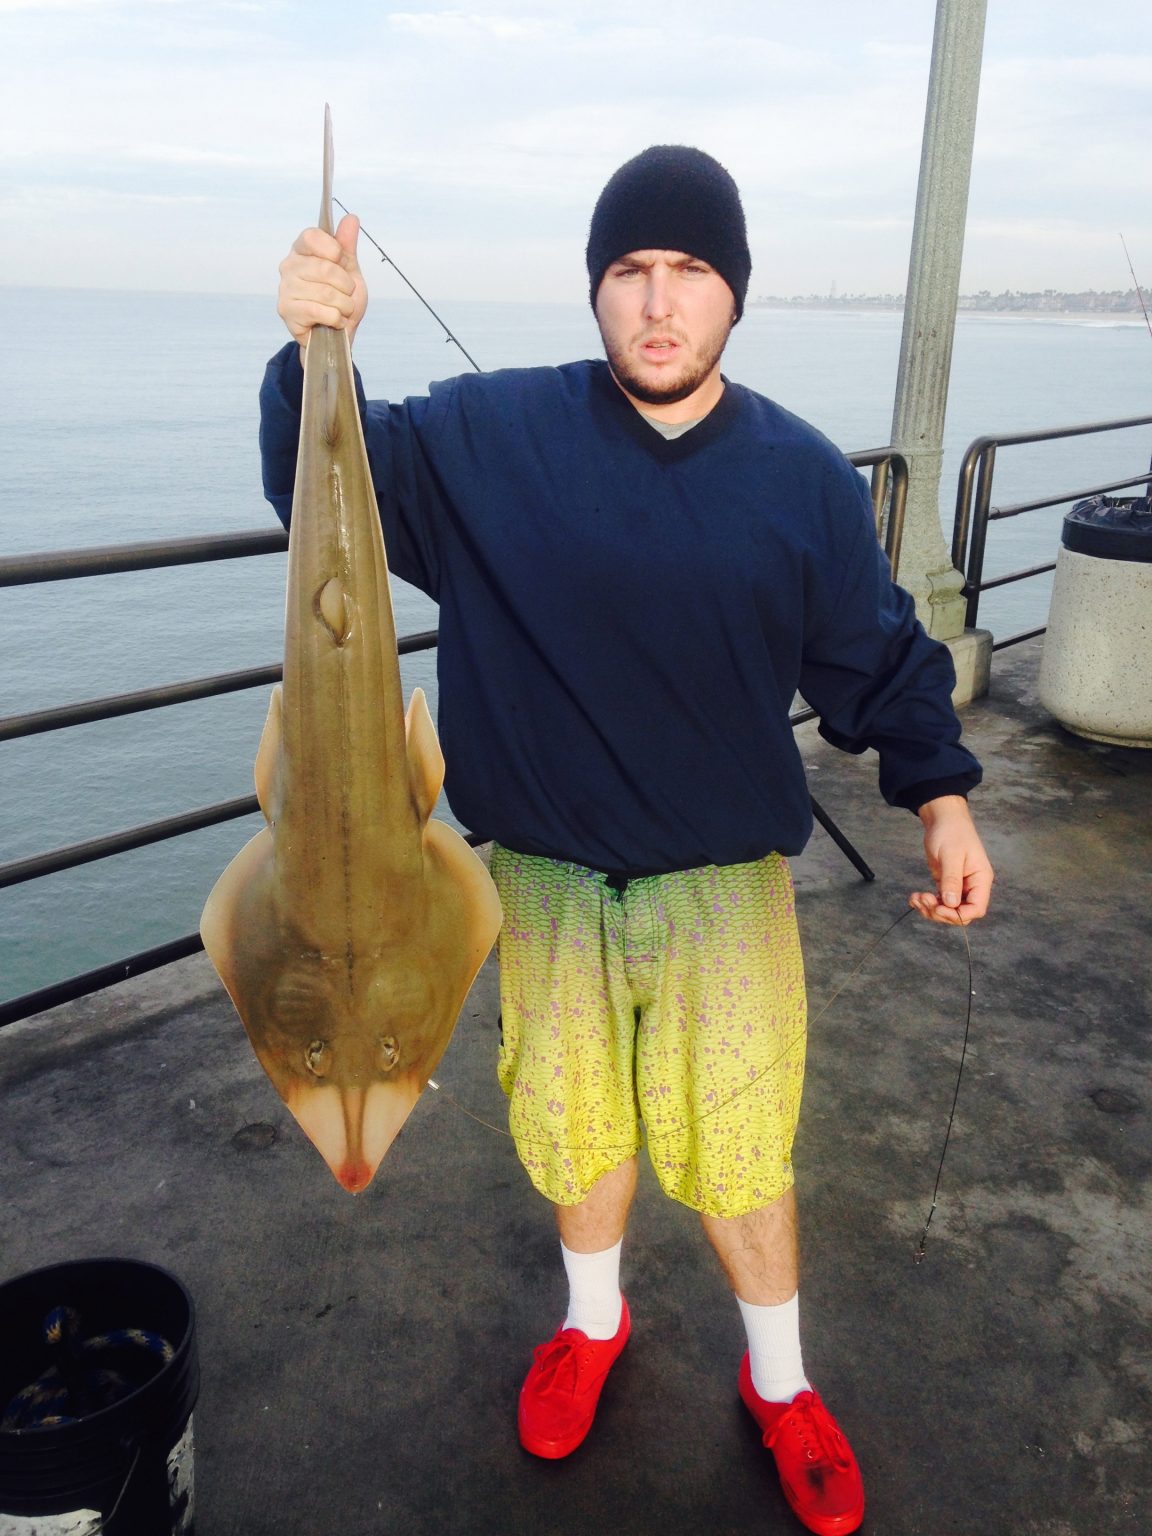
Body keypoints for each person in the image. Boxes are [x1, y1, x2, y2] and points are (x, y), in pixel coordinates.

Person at [260, 145, 994, 1536]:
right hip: (539, 878)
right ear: (598, 290)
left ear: (733, 297)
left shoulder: (798, 478)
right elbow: (325, 483)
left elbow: (876, 658)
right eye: (629, 274)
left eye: (690, 274)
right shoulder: (491, 435)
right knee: (571, 1124)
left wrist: (942, 795)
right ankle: (590, 1328)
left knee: (740, 1145)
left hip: (724, 886)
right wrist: (311, 346)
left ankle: (781, 1384)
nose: (658, 305)